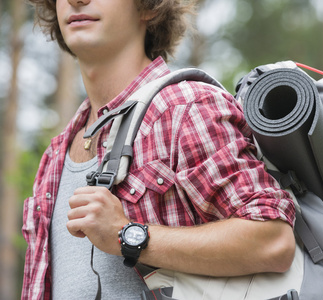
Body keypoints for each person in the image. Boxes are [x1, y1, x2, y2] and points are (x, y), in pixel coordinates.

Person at [22, 0, 296, 299]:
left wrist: (127, 235)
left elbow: (273, 241)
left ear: (148, 7)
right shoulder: (56, 153)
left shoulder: (184, 107)